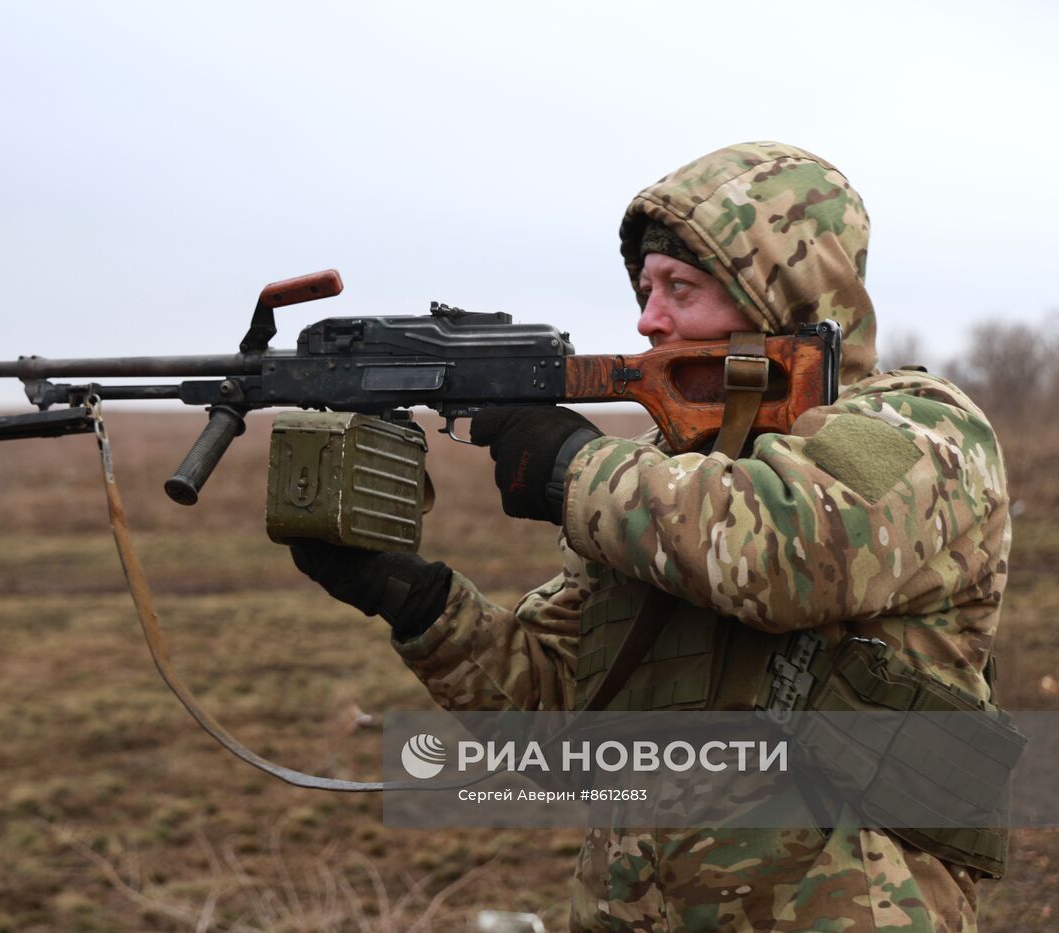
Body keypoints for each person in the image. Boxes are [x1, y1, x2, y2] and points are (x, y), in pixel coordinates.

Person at [290, 141, 1010, 931]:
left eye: (681, 288)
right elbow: (566, 728)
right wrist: (419, 603)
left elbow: (789, 551)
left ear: (780, 295)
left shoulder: (919, 427)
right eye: (645, 288)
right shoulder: (658, 480)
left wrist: (570, 466)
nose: (648, 318)